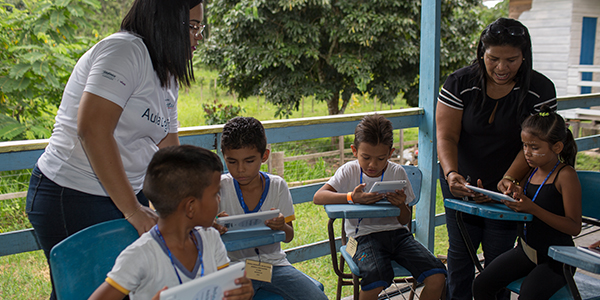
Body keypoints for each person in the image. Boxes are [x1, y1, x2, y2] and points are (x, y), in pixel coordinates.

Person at [25, 0, 204, 298]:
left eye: (200, 27)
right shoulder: (124, 51)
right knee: (89, 291)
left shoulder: (166, 73)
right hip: (72, 192)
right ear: (167, 22)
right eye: (193, 26)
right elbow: (93, 129)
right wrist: (133, 210)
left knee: (125, 286)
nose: (199, 36)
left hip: (123, 194)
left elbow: (168, 149)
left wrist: (191, 201)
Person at [436, 17, 557, 300]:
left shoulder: (540, 90)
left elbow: (535, 145)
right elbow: (446, 136)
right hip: (461, 181)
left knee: (499, 258)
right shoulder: (459, 82)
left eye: (511, 60)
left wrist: (509, 180)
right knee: (461, 255)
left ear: (524, 56)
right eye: (493, 59)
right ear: (481, 53)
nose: (501, 68)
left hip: (509, 186)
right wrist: (452, 173)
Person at [88, 145, 254, 300]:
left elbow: (226, 289)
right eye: (215, 193)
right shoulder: (140, 256)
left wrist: (241, 292)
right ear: (191, 207)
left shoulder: (211, 240)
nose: (219, 199)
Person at [313, 114, 447, 300]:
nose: (372, 165)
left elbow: (405, 220)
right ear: (354, 150)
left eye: (381, 158)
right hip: (361, 238)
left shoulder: (397, 172)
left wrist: (401, 205)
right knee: (376, 277)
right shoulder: (349, 171)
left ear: (390, 153)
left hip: (399, 236)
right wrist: (352, 197)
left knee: (437, 275)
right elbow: (319, 197)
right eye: (366, 157)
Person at [472, 108, 581, 300]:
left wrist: (532, 208)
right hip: (527, 252)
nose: (527, 153)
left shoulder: (565, 175)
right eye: (524, 146)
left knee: (528, 295)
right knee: (481, 285)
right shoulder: (531, 171)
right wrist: (504, 198)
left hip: (557, 259)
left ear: (556, 147)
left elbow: (574, 227)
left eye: (534, 147)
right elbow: (522, 203)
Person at [214, 116, 328, 300]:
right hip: (232, 267)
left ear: (264, 156)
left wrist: (282, 226)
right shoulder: (217, 188)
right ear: (223, 156)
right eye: (232, 161)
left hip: (271, 266)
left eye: (249, 161)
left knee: (318, 298)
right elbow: (200, 237)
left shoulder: (277, 186)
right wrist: (214, 227)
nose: (240, 169)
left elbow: (289, 236)